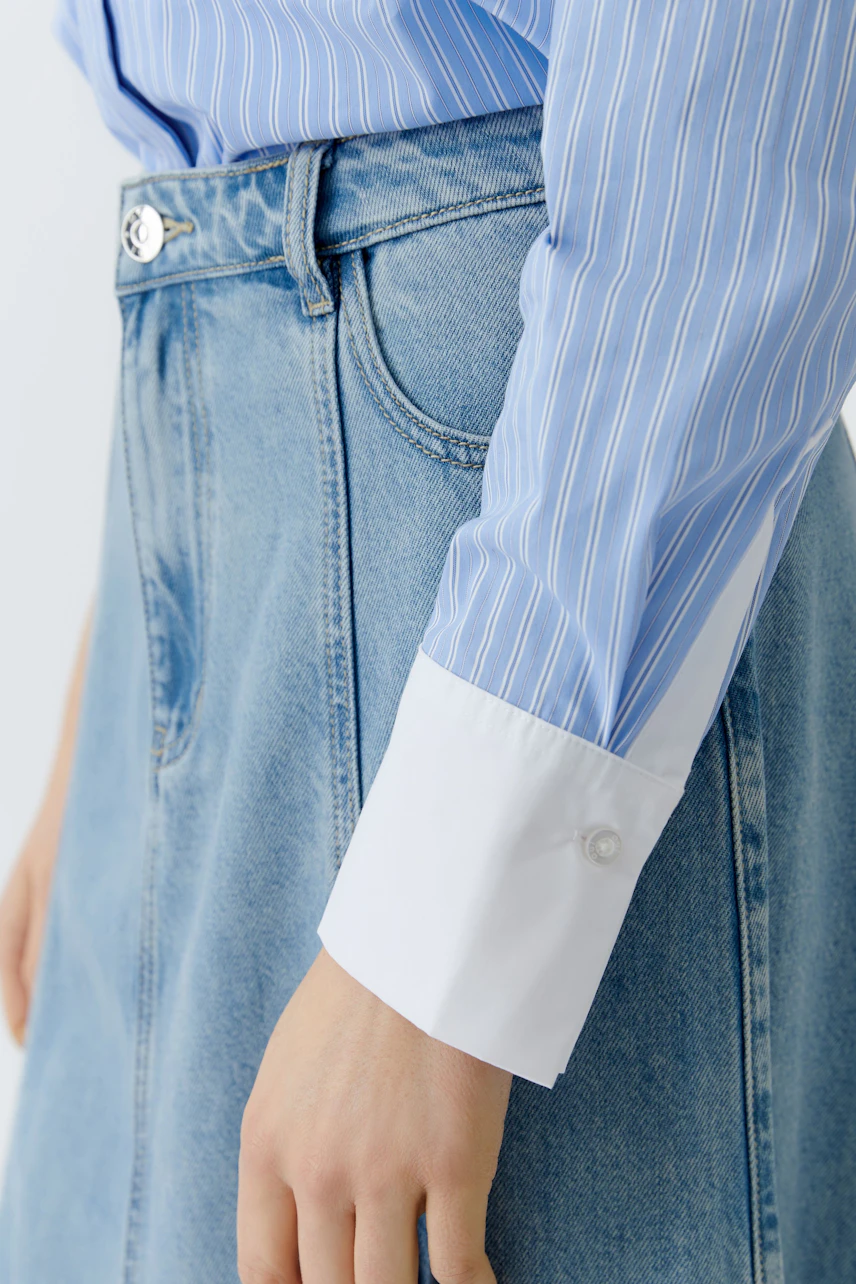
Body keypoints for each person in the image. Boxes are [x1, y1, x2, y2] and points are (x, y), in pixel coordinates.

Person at [2, 1, 856, 1281]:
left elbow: (725, 148)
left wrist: (439, 941)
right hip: (206, 463)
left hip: (526, 516)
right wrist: (121, 672)